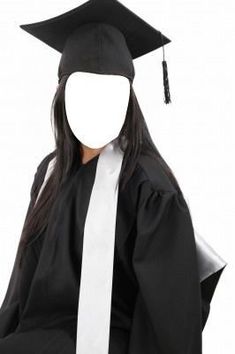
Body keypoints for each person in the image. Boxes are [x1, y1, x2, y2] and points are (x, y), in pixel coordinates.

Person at [0, 1, 227, 353]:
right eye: (83, 91)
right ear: (62, 97)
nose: (96, 105)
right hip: (37, 338)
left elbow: (168, 318)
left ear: (128, 103)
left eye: (110, 92)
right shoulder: (49, 173)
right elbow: (20, 288)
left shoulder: (149, 188)